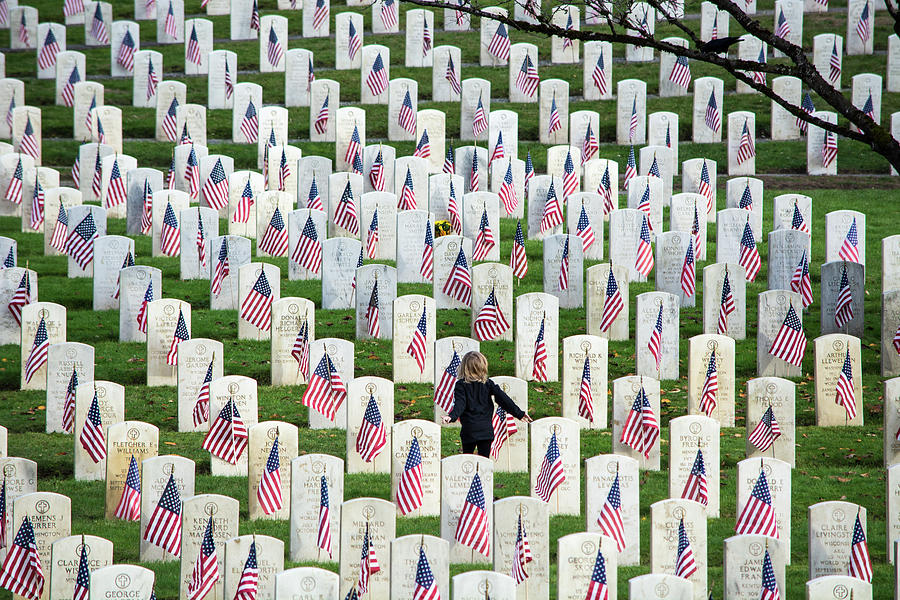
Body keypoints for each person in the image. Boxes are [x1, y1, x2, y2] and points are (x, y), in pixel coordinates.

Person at [442, 351, 532, 457]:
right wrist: (519, 413)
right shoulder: (488, 384)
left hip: (469, 430)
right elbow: (504, 399)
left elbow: (460, 405)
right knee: (485, 460)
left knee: (467, 458)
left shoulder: (461, 385)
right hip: (486, 431)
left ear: (464, 367)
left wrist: (451, 417)